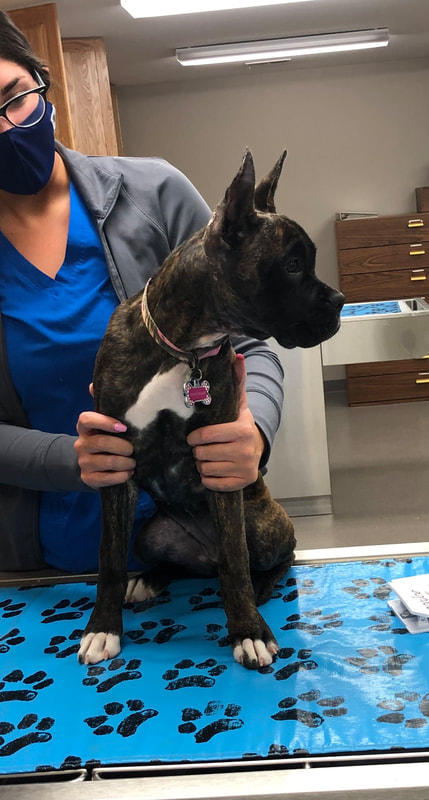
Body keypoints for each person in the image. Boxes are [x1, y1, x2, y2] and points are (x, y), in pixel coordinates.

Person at [0, 11, 284, 573]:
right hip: (52, 570)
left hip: (196, 550)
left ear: (41, 80)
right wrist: (69, 459)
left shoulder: (153, 194)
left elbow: (248, 344)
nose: (5, 128)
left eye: (14, 97)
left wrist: (255, 429)